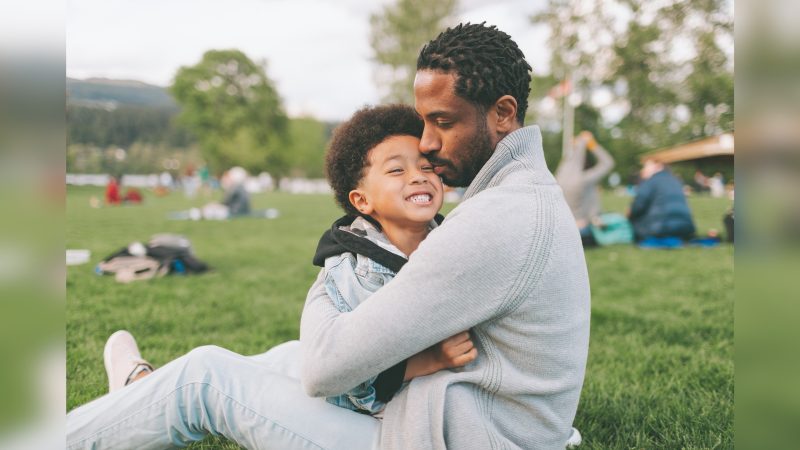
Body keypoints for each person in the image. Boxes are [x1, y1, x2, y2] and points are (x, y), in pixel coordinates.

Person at [67, 23, 590, 449]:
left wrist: (341, 253)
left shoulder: (498, 219)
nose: (427, 144)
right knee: (284, 357)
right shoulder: (527, 196)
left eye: (441, 122)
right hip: (485, 422)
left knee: (207, 377)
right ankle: (140, 391)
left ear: (502, 113)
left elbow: (324, 369)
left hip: (452, 435)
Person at [556, 130, 615, 247]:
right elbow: (608, 163)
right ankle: (596, 220)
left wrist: (576, 146)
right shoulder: (584, 179)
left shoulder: (558, 177)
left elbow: (569, 162)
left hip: (561, 230)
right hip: (581, 231)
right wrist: (591, 144)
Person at [628, 158, 696, 242]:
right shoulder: (676, 180)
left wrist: (628, 216)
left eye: (646, 166)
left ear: (658, 166)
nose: (643, 170)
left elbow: (637, 207)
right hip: (686, 229)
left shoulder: (650, 181)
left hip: (660, 230)